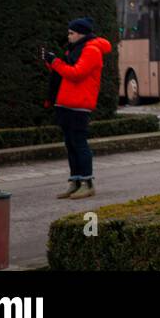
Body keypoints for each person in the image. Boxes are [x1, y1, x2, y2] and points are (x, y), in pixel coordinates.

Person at [42, 17, 111, 200]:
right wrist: (52, 62)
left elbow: (76, 74)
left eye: (71, 33)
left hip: (79, 104)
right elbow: (66, 70)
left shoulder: (91, 51)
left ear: (81, 33)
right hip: (66, 102)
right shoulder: (75, 49)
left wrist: (56, 62)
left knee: (79, 143)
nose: (69, 36)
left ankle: (87, 183)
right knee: (70, 143)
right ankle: (75, 181)